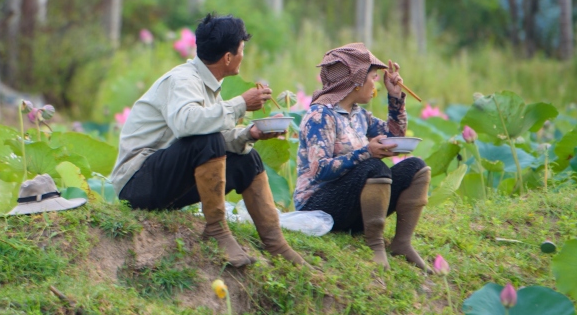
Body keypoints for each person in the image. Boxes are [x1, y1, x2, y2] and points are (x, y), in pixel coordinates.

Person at [110, 14, 306, 268]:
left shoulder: (209, 85)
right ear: (228, 57)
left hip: (167, 183)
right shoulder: (182, 80)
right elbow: (187, 125)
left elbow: (210, 138)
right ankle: (216, 230)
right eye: (242, 50)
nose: (243, 56)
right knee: (208, 138)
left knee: (249, 158)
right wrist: (240, 104)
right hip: (137, 184)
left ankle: (276, 244)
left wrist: (250, 134)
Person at [293, 43, 430, 268]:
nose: (376, 82)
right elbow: (320, 170)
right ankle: (374, 245)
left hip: (353, 207)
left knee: (416, 167)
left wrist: (395, 98)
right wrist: (366, 152)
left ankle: (402, 243)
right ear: (356, 81)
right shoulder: (320, 116)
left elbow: (394, 136)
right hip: (317, 208)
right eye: (373, 77)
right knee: (373, 167)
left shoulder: (358, 114)